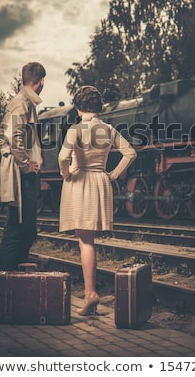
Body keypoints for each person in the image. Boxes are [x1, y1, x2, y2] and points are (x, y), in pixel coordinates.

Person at [58, 85, 137, 316]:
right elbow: (130, 153)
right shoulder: (108, 129)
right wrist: (112, 174)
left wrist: (66, 173)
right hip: (99, 182)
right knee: (88, 239)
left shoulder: (76, 128)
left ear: (79, 107)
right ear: (99, 106)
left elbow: (63, 157)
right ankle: (90, 293)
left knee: (85, 240)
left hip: (80, 181)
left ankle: (91, 294)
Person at [0, 61, 46, 271]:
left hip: (23, 172)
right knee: (17, 227)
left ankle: (15, 275)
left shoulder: (24, 102)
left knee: (26, 228)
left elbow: (0, 135)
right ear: (41, 81)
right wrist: (26, 166)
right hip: (22, 174)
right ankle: (7, 276)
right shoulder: (21, 103)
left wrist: (8, 153)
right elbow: (14, 138)